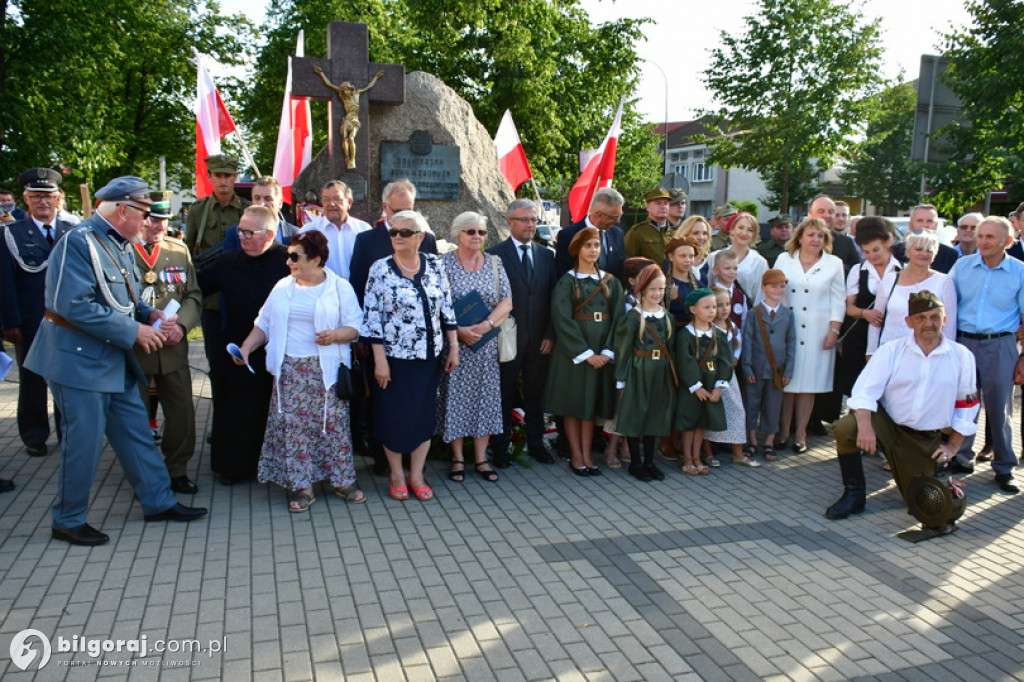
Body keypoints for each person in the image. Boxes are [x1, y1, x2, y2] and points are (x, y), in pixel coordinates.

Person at [24, 176, 207, 546]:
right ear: (122, 209)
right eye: (143, 213)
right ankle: (68, 519)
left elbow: (122, 296)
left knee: (135, 432)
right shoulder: (78, 242)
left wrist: (147, 315)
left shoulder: (118, 242)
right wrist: (133, 332)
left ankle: (158, 501)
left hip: (109, 356)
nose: (149, 221)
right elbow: (72, 305)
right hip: (77, 360)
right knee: (84, 442)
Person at [825, 291, 979, 534]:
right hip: (889, 427)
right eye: (920, 318)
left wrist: (953, 447)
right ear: (909, 322)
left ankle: (921, 479)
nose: (928, 323)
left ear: (945, 319)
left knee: (933, 508)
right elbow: (864, 392)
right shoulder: (890, 351)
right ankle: (854, 494)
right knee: (846, 427)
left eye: (934, 317)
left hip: (926, 440)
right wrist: (865, 428)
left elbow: (967, 407)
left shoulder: (962, 357)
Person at [233, 231, 364, 512]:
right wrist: (245, 348)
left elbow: (356, 327)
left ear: (316, 259)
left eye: (295, 256)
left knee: (333, 426)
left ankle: (342, 481)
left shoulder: (339, 287)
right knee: (295, 429)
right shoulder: (283, 287)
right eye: (287, 256)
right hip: (291, 368)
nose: (288, 262)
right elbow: (263, 323)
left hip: (327, 368)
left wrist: (336, 335)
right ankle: (302, 486)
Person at [362, 210, 458, 501]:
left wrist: (453, 346)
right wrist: (380, 360)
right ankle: (396, 474)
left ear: (420, 237)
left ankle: (417, 474)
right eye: (393, 232)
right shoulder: (380, 268)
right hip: (393, 360)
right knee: (393, 417)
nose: (398, 237)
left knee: (423, 416)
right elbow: (371, 318)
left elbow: (447, 308)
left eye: (405, 232)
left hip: (429, 358)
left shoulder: (435, 265)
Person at [348, 179, 437, 475]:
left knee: (416, 404)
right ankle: (382, 459)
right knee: (384, 401)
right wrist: (363, 336)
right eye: (397, 210)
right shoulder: (367, 241)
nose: (402, 218)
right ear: (384, 207)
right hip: (382, 342)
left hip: (422, 347)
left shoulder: (428, 238)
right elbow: (359, 287)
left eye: (409, 210)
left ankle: (416, 464)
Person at [197, 205, 291, 485]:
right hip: (239, 346)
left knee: (276, 409)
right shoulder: (228, 261)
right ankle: (234, 467)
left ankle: (277, 468)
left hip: (280, 347)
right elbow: (197, 287)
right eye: (240, 231)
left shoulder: (288, 260)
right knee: (236, 409)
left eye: (250, 232)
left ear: (271, 234)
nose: (243, 237)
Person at [0, 167, 74, 456]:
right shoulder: (9, 234)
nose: (43, 202)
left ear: (58, 198)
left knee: (67, 379)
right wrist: (11, 321)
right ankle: (34, 436)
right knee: (32, 380)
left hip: (69, 321)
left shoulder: (72, 231)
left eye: (48, 196)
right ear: (25, 199)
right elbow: (5, 283)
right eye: (36, 196)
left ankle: (68, 431)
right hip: (31, 320)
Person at [131, 192, 202, 495]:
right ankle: (141, 472)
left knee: (182, 411)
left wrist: (183, 324)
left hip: (172, 345)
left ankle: (177, 469)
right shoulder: (120, 250)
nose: (160, 225)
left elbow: (193, 294)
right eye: (153, 219)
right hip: (134, 345)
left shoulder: (178, 249)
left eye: (163, 219)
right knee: (134, 412)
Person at [948, 216, 1024, 494]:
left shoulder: (1020, 271)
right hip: (964, 342)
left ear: (1007, 241)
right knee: (964, 403)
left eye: (990, 237)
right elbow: (948, 306)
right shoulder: (962, 266)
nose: (982, 242)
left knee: (1000, 409)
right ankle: (962, 458)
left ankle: (1005, 467)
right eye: (981, 236)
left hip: (1000, 345)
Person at [437, 212, 512, 482]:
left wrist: (486, 326)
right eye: (471, 231)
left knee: (486, 401)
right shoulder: (443, 264)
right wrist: (459, 331)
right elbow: (436, 304)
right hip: (454, 346)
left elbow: (507, 301)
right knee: (454, 399)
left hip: (485, 348)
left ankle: (481, 458)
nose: (477, 236)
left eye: (481, 232)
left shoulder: (494, 262)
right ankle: (457, 458)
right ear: (458, 234)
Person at [545, 227, 624, 476]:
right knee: (574, 405)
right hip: (575, 356)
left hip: (603, 352)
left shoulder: (611, 282)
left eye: (596, 246)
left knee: (590, 407)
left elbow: (620, 319)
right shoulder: (567, 281)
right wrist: (586, 353)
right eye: (588, 246)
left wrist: (608, 351)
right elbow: (563, 319)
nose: (593, 251)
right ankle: (576, 456)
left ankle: (588, 455)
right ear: (577, 250)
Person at [486, 199, 558, 465]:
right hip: (507, 340)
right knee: (503, 394)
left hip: (539, 341)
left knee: (535, 395)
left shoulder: (546, 255)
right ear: (510, 222)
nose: (530, 224)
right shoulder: (494, 255)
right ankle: (501, 448)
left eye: (534, 219)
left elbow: (553, 298)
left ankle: (537, 444)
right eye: (525, 219)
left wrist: (550, 334)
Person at [184, 153, 250, 427]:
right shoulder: (198, 211)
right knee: (217, 367)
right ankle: (221, 424)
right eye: (218, 175)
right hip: (211, 302)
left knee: (244, 366)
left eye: (228, 175)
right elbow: (189, 253)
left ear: (235, 177)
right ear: (208, 177)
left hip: (242, 301)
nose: (223, 181)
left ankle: (243, 422)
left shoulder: (247, 209)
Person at [773, 217, 846, 453]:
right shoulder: (784, 259)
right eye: (811, 235)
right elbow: (775, 292)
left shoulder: (834, 263)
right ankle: (783, 431)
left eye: (820, 236)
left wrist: (834, 330)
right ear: (800, 237)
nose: (816, 240)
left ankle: (801, 434)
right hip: (787, 330)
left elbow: (838, 300)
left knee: (808, 386)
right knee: (787, 385)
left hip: (818, 332)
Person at [614, 264, 675, 482]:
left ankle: (650, 461)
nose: (657, 294)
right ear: (641, 290)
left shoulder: (666, 316)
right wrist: (621, 379)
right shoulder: (633, 317)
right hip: (639, 372)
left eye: (661, 289)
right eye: (653, 290)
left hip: (660, 373)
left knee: (654, 416)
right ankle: (636, 463)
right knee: (635, 415)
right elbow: (622, 349)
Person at [836, 218, 900, 400]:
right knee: (856, 386)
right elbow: (849, 308)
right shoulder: (858, 270)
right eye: (866, 252)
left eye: (876, 250)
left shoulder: (901, 270)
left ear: (888, 243)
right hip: (858, 337)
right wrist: (866, 313)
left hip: (890, 336)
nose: (872, 256)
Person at [867, 231, 956, 355]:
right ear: (907, 252)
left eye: (929, 250)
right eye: (919, 249)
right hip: (890, 351)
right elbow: (876, 319)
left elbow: (949, 324)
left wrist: (946, 353)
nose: (924, 254)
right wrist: (871, 352)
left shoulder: (945, 281)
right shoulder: (890, 279)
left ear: (934, 254)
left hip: (928, 352)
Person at [673, 288, 732, 475]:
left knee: (701, 423)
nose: (712, 311)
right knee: (689, 421)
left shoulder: (718, 334)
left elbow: (725, 360)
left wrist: (719, 386)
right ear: (693, 310)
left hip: (711, 383)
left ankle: (697, 456)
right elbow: (685, 362)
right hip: (693, 386)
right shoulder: (685, 335)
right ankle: (687, 457)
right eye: (707, 307)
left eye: (714, 307)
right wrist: (696, 386)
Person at [742, 269, 796, 461]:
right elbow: (746, 341)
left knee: (773, 407)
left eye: (782, 286)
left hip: (777, 371)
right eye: (774, 286)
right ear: (764, 288)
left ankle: (769, 442)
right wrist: (746, 367)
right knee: (752, 405)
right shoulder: (753, 313)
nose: (778, 290)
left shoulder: (788, 314)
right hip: (755, 369)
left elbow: (791, 343)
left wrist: (788, 370)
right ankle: (752, 441)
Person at [705, 287, 760, 467]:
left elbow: (738, 343)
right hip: (712, 375)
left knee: (737, 410)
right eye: (719, 305)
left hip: (729, 375)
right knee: (709, 413)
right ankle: (707, 452)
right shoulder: (709, 328)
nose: (724, 309)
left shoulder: (731, 326)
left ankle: (738, 451)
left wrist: (735, 357)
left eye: (727, 304)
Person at [312, 66, 384, 169]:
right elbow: (329, 84)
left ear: (350, 89)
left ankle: (353, 160)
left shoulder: (357, 93)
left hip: (355, 119)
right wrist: (321, 73)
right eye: (343, 90)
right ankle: (347, 159)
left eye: (346, 89)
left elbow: (369, 87)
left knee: (351, 138)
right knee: (345, 139)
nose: (345, 91)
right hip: (347, 119)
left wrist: (376, 77)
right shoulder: (344, 97)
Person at [299, 180, 371, 279]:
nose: (331, 204)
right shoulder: (309, 232)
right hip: (323, 291)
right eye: (326, 199)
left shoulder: (364, 230)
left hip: (358, 291)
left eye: (337, 199)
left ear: (349, 202)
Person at [556, 187, 627, 278]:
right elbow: (562, 273)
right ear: (599, 215)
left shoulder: (617, 234)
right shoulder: (568, 235)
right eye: (615, 217)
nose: (618, 221)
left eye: (620, 216)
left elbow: (620, 269)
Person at [221, 176, 299, 250]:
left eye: (268, 199)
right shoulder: (234, 234)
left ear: (280, 203)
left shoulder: (297, 234)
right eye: (257, 198)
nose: (261, 204)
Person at [707, 212, 767, 305]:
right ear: (732, 229)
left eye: (750, 230)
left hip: (745, 314)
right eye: (740, 227)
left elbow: (760, 296)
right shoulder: (714, 257)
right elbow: (707, 286)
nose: (744, 233)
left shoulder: (760, 262)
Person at [891, 204, 958, 274]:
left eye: (929, 221)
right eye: (920, 220)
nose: (925, 225)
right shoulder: (894, 252)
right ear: (910, 225)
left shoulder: (950, 255)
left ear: (936, 225)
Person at [807, 194, 860, 275]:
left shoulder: (846, 242)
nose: (827, 215)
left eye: (831, 212)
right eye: (821, 211)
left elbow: (857, 272)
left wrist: (833, 265)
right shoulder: (798, 241)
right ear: (810, 215)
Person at [625, 186, 673, 262]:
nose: (663, 207)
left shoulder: (675, 232)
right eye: (658, 203)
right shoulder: (637, 232)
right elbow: (629, 262)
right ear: (647, 207)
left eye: (666, 203)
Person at [665, 237, 700, 328]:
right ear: (671, 257)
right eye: (682, 256)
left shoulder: (699, 284)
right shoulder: (663, 284)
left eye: (691, 256)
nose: (687, 260)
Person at [672, 215, 712, 285]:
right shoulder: (673, 260)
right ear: (685, 235)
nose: (701, 237)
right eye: (696, 233)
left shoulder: (708, 261)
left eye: (705, 233)